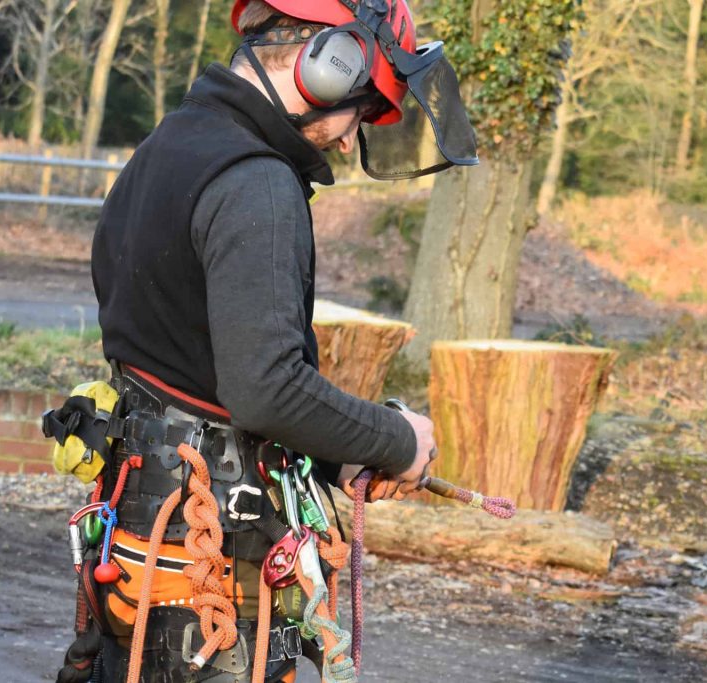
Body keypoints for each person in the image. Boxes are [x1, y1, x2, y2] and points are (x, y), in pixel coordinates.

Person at [54, 0, 479, 681]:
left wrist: (338, 451)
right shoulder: (259, 183)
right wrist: (397, 440)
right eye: (362, 110)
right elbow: (266, 389)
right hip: (209, 570)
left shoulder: (164, 148)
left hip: (137, 549)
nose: (348, 140)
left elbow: (187, 363)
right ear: (330, 68)